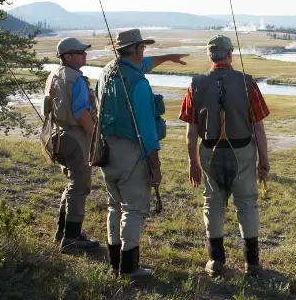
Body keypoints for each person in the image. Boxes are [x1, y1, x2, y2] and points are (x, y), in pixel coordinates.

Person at [95, 29, 187, 280]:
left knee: (114, 205)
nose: (144, 52)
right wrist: (154, 165)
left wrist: (168, 57)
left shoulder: (105, 73)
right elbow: (147, 130)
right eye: (142, 48)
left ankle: (115, 262)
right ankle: (129, 267)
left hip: (106, 150)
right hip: (131, 151)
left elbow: (145, 64)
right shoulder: (138, 83)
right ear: (135, 49)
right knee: (134, 209)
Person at [179, 35, 271, 277]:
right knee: (247, 204)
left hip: (209, 152)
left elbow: (191, 130)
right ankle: (252, 264)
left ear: (211, 56)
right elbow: (258, 127)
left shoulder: (195, 84)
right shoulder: (248, 83)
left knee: (213, 204)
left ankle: (216, 262)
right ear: (230, 54)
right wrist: (265, 161)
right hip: (243, 152)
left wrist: (193, 162)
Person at [44, 37, 100, 251]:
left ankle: (63, 231)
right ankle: (72, 238)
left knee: (71, 184)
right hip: (76, 137)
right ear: (68, 56)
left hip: (57, 136)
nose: (84, 54)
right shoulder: (76, 79)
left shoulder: (54, 75)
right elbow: (82, 113)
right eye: (80, 52)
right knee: (80, 186)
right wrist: (96, 137)